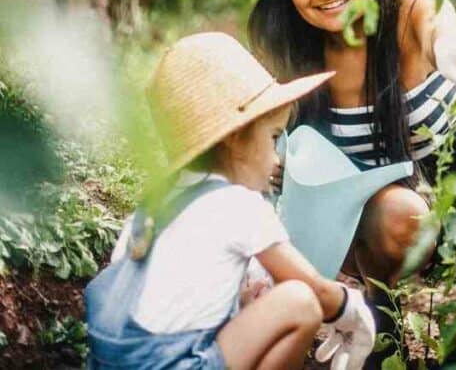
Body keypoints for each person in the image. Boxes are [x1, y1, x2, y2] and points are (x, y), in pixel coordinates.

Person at [225, 0, 456, 365]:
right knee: (400, 212)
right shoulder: (288, 53)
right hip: (371, 230)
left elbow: (446, 34)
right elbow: (251, 156)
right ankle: (376, 326)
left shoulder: (411, 13)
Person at [85, 32, 376, 370]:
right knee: (300, 303)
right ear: (237, 139)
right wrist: (352, 309)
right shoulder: (239, 205)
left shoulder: (155, 205)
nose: (276, 159)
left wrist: (240, 301)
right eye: (272, 138)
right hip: (171, 364)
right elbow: (316, 290)